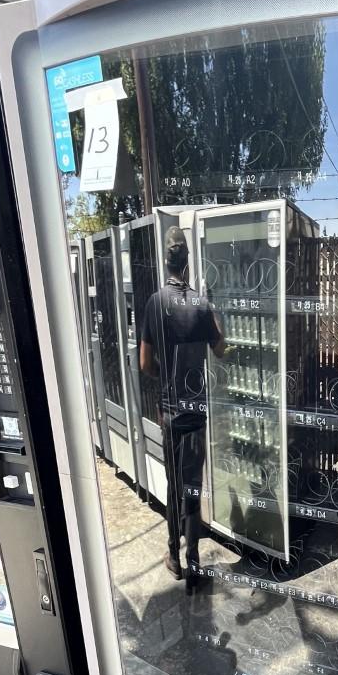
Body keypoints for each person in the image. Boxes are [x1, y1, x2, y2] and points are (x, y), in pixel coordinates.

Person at [140, 227, 227, 581]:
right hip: (197, 412)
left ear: (166, 261)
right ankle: (194, 560)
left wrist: (166, 381)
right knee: (193, 485)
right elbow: (223, 350)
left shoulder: (155, 302)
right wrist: (215, 315)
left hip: (170, 412)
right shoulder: (201, 305)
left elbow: (145, 364)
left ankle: (173, 556)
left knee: (174, 484)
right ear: (188, 262)